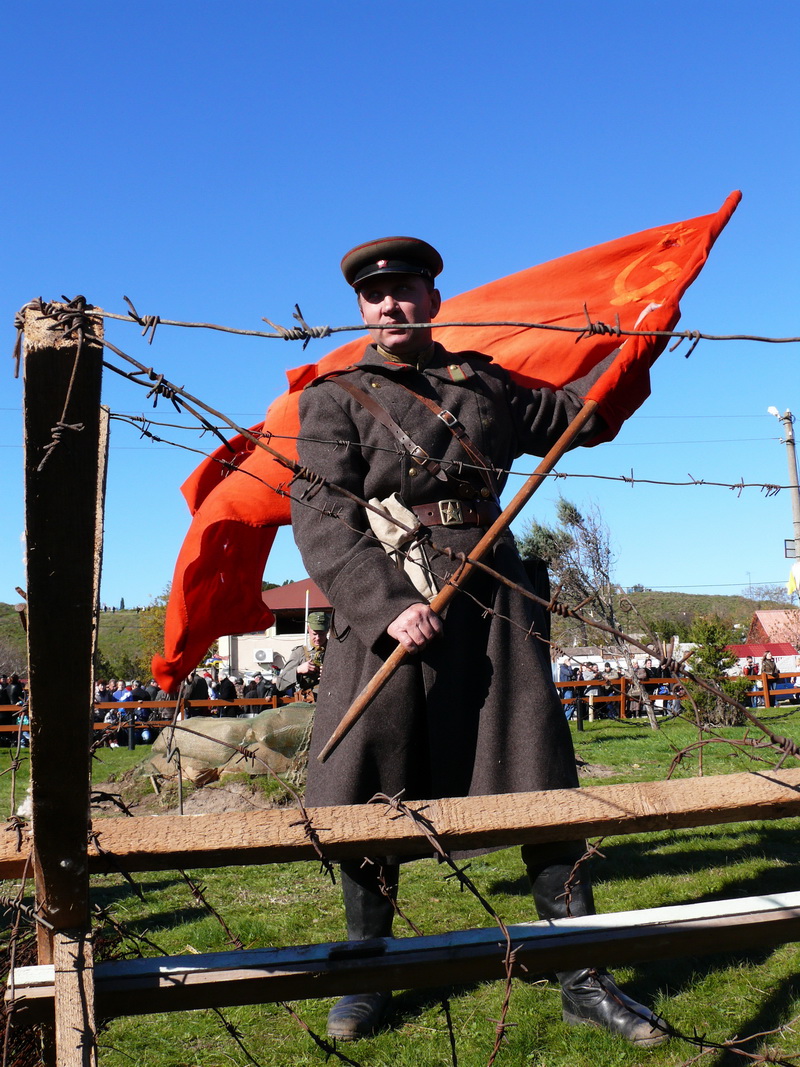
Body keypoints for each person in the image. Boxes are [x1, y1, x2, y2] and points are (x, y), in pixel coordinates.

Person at [290, 237, 667, 1045]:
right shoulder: (335, 398)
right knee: (369, 783)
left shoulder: (484, 384)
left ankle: (581, 976)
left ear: (433, 298)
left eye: (405, 288)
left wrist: (641, 342)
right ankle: (368, 969)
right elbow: (322, 515)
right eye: (375, 294)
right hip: (392, 606)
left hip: (493, 602)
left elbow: (576, 416)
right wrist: (387, 606)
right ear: (361, 308)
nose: (391, 303)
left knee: (541, 775)